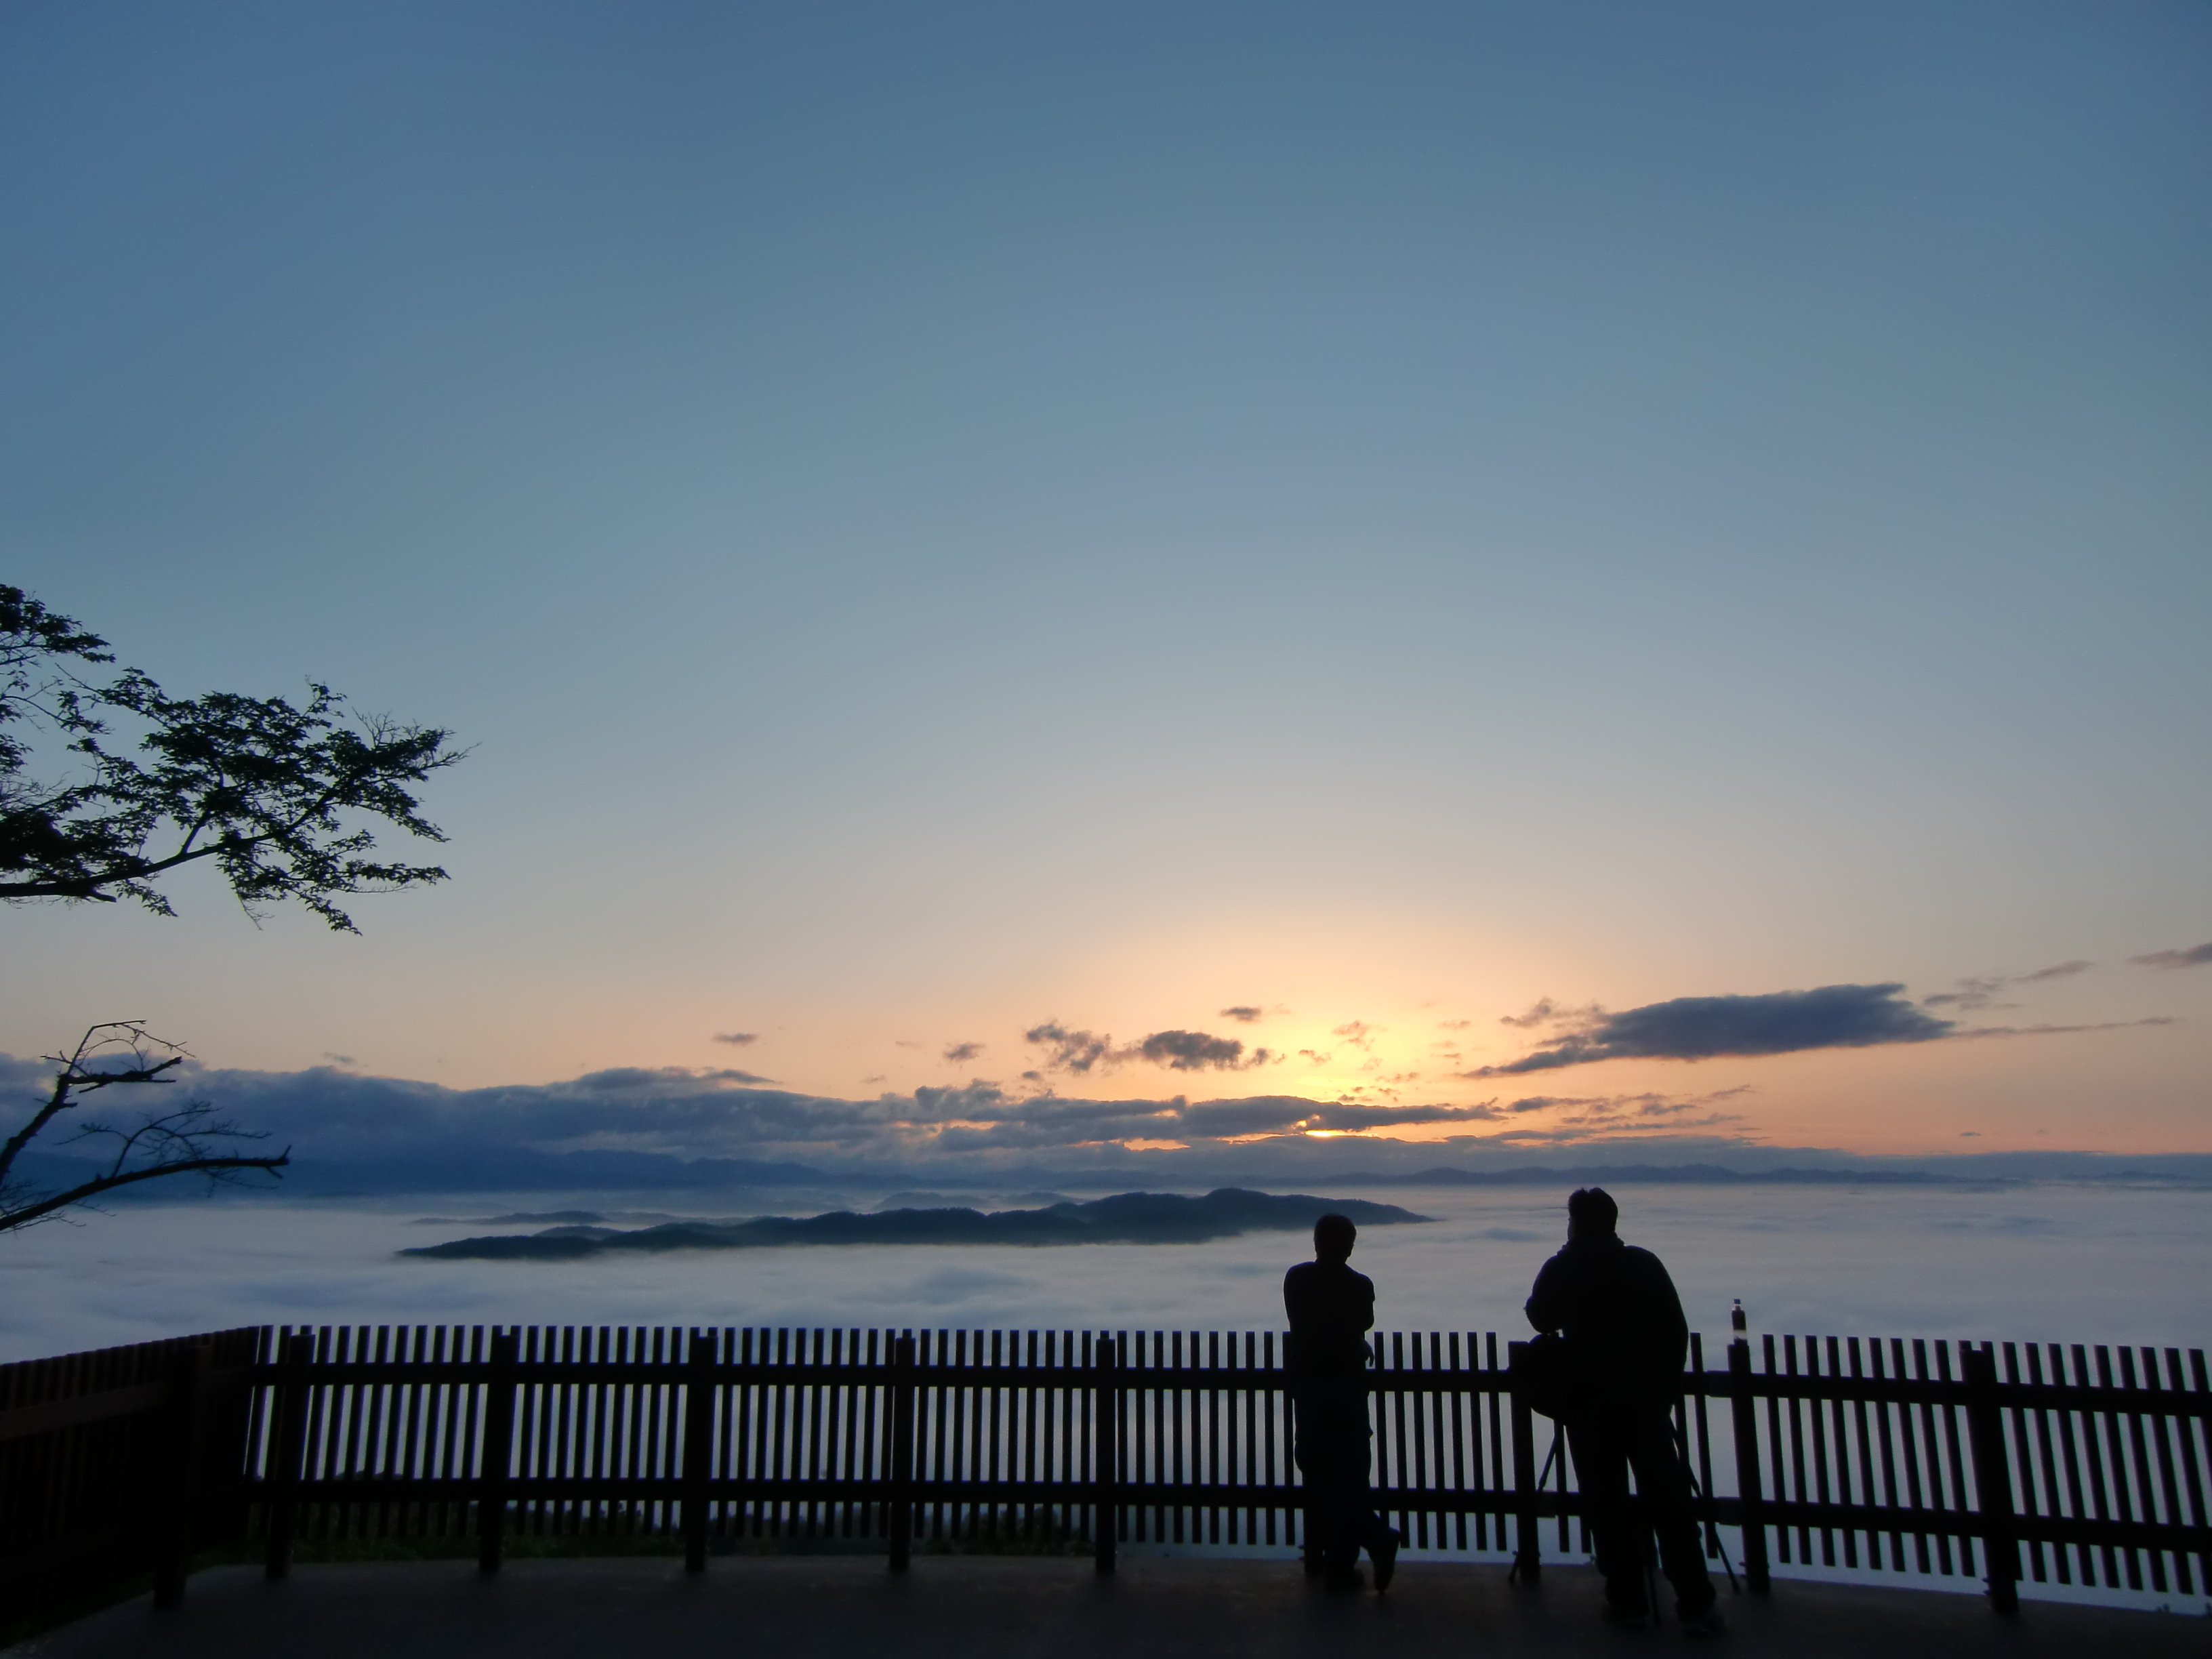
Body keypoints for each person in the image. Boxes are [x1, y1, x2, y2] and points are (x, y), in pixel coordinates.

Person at [1524, 1188, 1723, 1635]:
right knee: (1670, 1502)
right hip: (1644, 1403)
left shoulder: (1565, 1267)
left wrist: (1564, 1259)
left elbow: (1539, 1318)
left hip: (1589, 1407)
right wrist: (1664, 1391)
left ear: (1575, 1223)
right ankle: (1695, 1602)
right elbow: (1676, 1330)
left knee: (1606, 1503)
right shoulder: (1644, 1264)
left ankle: (1627, 1598)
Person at [1284, 1212, 1401, 1591]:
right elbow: (1360, 1323)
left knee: (1318, 1472)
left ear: (1316, 1243)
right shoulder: (1360, 1286)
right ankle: (1361, 1546)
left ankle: (1341, 1561)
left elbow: (1305, 1323)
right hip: (1349, 1392)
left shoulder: (1297, 1280)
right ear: (1349, 1247)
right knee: (1351, 1476)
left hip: (1312, 1390)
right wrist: (1353, 1341)